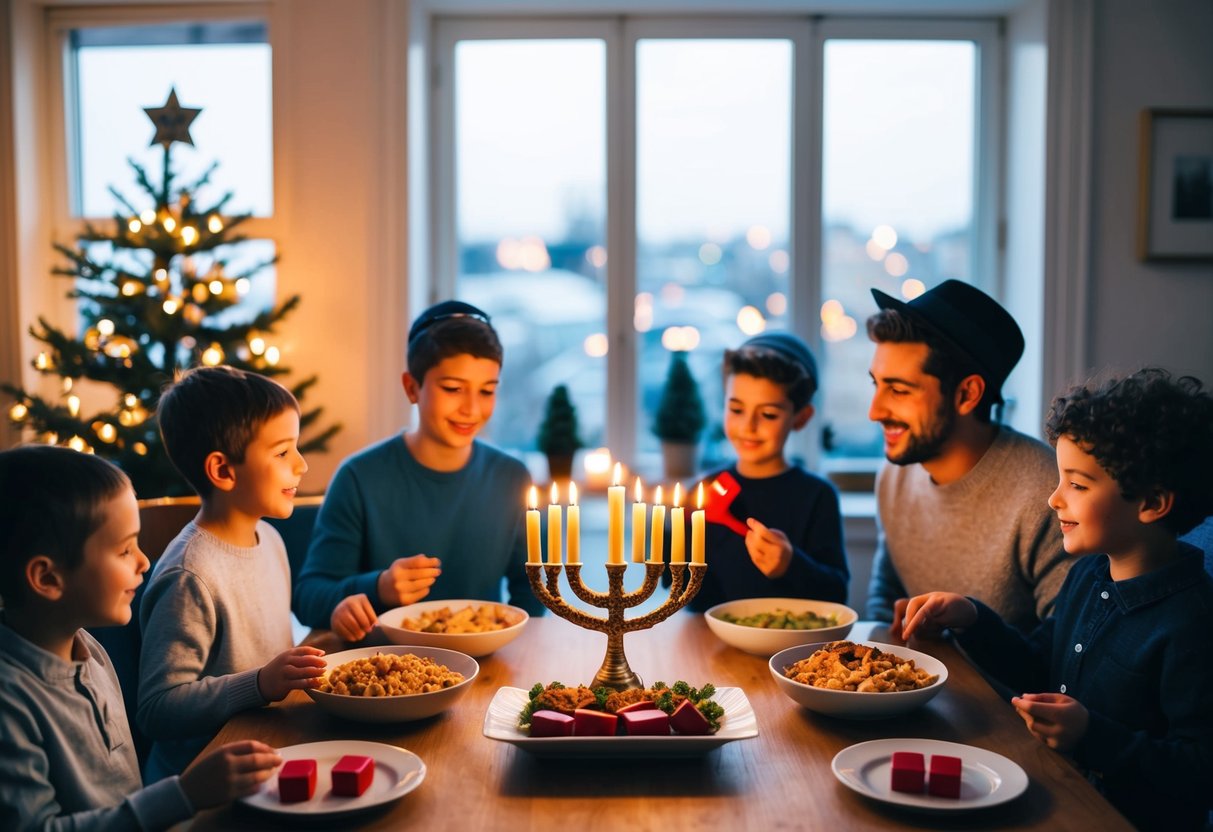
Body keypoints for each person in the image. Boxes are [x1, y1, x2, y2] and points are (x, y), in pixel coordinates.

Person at [896, 368, 1213, 832]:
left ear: (1152, 503)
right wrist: (970, 617)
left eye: (1078, 485)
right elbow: (1037, 665)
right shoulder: (1088, 573)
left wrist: (1092, 737)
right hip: (1057, 792)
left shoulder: (1191, 622)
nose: (1053, 499)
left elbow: (1200, 770)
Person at [0, 445, 284, 830]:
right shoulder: (11, 703)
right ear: (48, 579)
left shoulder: (90, 651)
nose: (145, 561)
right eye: (124, 549)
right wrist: (183, 794)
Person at [293, 301, 544, 641]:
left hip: (487, 669)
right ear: (412, 388)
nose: (471, 408)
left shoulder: (511, 477)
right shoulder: (359, 477)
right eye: (453, 389)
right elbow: (309, 597)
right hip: (387, 671)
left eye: (487, 391)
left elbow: (531, 596)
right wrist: (377, 587)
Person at [138, 366, 326, 782]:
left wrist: (321, 642)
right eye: (282, 452)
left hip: (271, 755)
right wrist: (259, 684)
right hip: (204, 787)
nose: (302, 465)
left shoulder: (270, 539)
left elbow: (264, 647)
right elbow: (157, 709)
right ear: (223, 470)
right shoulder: (190, 573)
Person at [864, 279, 1069, 632]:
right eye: (876, 384)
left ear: (967, 394)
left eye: (898, 390)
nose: (875, 411)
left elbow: (1067, 649)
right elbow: (886, 594)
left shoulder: (1047, 492)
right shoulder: (894, 475)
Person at [687, 332, 848, 611]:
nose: (748, 426)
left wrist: (791, 565)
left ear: (801, 418)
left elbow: (836, 594)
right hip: (710, 645)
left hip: (793, 652)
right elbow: (688, 594)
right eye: (736, 409)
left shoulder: (817, 496)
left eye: (769, 414)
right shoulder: (705, 490)